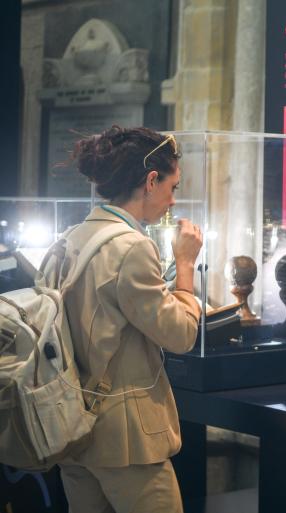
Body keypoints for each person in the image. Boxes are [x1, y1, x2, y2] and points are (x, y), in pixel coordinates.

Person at [57, 126, 202, 513]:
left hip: (72, 428)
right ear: (151, 181)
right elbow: (181, 333)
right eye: (173, 187)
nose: (173, 201)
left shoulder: (70, 238)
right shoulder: (132, 247)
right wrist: (186, 266)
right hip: (126, 439)